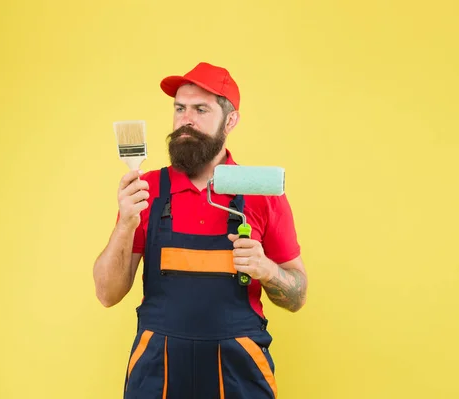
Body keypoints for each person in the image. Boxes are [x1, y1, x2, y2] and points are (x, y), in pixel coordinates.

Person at [93, 62, 308, 399]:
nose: (185, 119)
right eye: (179, 108)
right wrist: (125, 224)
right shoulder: (145, 191)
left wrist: (266, 270)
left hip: (240, 368)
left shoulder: (261, 194)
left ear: (231, 120)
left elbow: (298, 296)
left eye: (200, 109)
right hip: (157, 367)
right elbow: (107, 294)